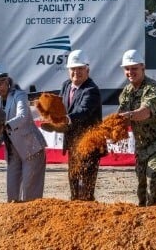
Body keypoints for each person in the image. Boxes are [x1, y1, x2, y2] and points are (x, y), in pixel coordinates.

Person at [117, 49, 156, 206]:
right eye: (127, 69)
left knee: (154, 183)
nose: (130, 72)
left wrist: (128, 116)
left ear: (143, 67)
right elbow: (120, 118)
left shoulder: (152, 88)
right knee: (142, 192)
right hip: (142, 148)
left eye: (134, 68)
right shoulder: (127, 92)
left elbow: (144, 112)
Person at [42, 49, 103, 201]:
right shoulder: (66, 85)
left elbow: (83, 111)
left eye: (80, 68)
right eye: (73, 69)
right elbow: (61, 105)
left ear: (87, 69)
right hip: (72, 141)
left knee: (86, 185)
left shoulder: (91, 90)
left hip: (88, 143)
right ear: (68, 70)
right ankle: (75, 208)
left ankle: (88, 211)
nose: (76, 72)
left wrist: (65, 120)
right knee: (74, 181)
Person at [0, 62, 47, 202]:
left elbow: (23, 116)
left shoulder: (19, 95)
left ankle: (33, 221)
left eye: (0, 82)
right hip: (13, 152)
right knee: (12, 193)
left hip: (31, 149)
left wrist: (6, 126)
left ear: (7, 81)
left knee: (30, 192)